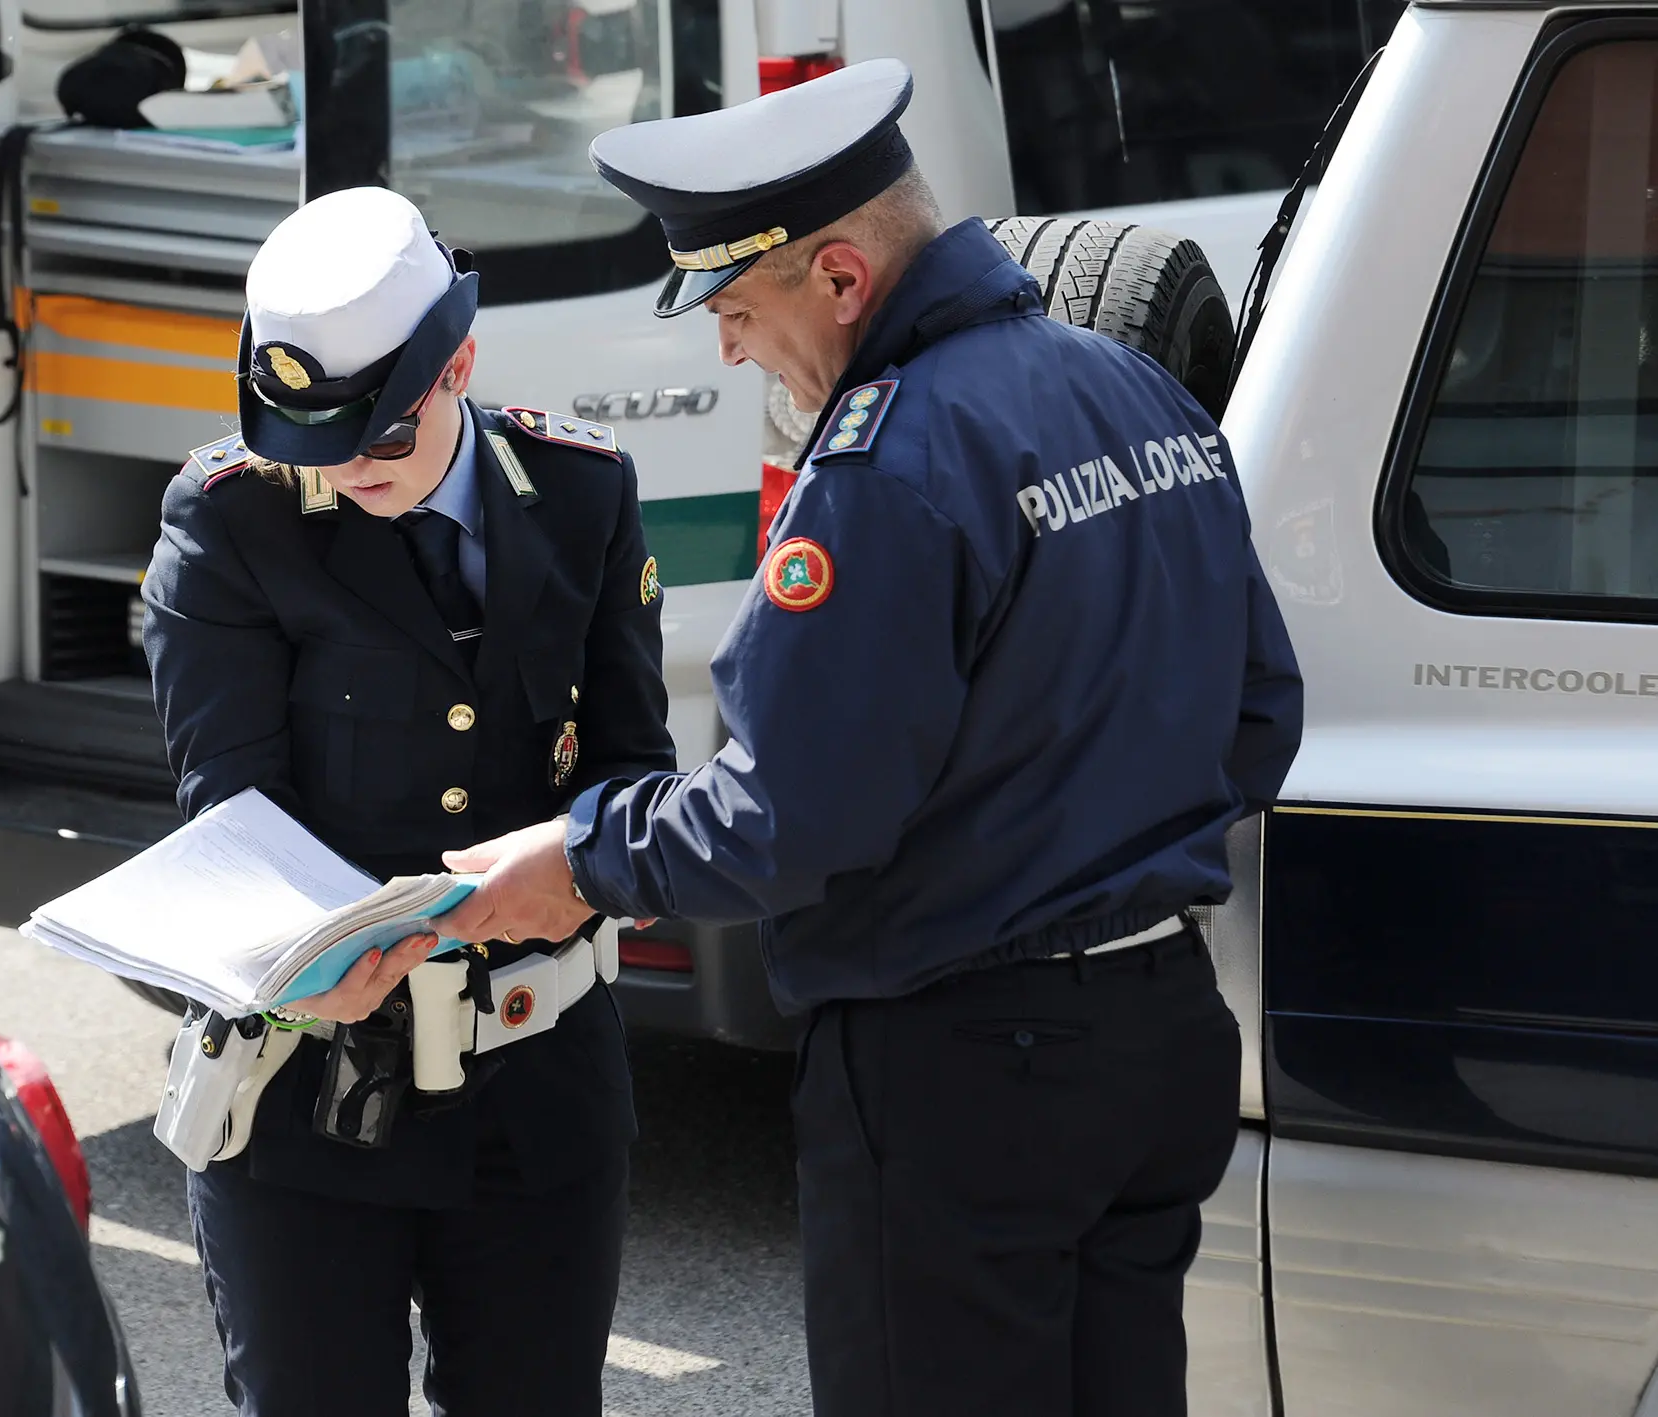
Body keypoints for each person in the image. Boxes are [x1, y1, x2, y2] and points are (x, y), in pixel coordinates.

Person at [436, 59, 1305, 1417]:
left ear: (838, 277)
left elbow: (786, 816)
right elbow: (1255, 717)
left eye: (733, 305)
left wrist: (578, 857)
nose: (727, 348)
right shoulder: (1133, 389)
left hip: (968, 1074)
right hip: (1157, 1036)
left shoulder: (889, 467)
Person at [139, 185, 674, 1416]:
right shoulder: (230, 522)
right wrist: (291, 954)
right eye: (308, 440)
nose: (340, 471)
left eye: (375, 435)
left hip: (536, 1081)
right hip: (308, 1100)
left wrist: (571, 861)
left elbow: (628, 761)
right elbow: (228, 808)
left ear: (459, 365)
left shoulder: (580, 490)